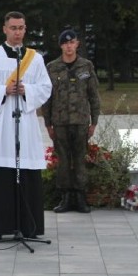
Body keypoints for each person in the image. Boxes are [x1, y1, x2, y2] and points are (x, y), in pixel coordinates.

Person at [0, 11, 53, 239]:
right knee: (0, 172)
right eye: (13, 28)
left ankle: (28, 225)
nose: (18, 32)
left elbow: (46, 88)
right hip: (0, 122)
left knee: (26, 169)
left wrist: (28, 91)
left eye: (21, 28)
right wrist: (3, 90)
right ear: (5, 29)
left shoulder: (35, 58)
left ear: (25, 30)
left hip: (24, 123)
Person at [42, 28, 101, 214]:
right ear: (61, 46)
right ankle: (66, 197)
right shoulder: (52, 67)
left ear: (77, 44)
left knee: (79, 159)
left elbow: (94, 95)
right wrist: (48, 124)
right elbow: (47, 98)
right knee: (63, 161)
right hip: (60, 122)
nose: (69, 46)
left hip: (81, 121)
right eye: (65, 43)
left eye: (72, 42)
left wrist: (94, 122)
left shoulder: (86, 66)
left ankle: (81, 197)